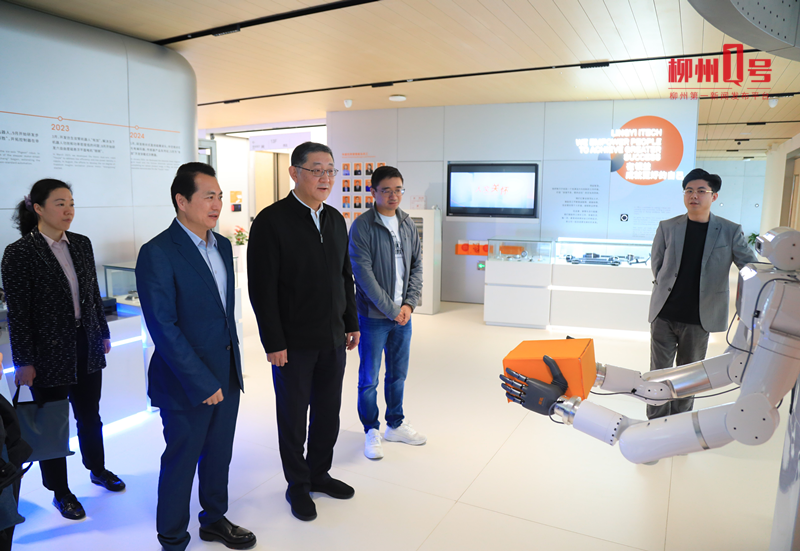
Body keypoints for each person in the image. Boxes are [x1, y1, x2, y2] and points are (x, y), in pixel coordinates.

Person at [136, 163, 255, 551]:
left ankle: (214, 519)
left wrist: (228, 373)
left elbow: (222, 314)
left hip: (227, 373)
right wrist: (202, 381)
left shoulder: (222, 245)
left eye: (219, 196)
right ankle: (172, 537)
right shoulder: (158, 252)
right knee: (182, 460)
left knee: (219, 455)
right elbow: (163, 327)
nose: (217, 204)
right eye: (208, 196)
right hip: (184, 381)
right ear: (182, 201)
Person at [248, 141, 359, 522]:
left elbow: (344, 276)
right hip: (293, 344)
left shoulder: (335, 219)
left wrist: (351, 322)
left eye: (330, 170)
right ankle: (297, 484)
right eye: (317, 170)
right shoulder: (272, 221)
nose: (325, 178)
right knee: (294, 417)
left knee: (328, 413)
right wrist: (273, 341)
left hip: (333, 338)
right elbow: (262, 288)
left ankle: (319, 474)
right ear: (294, 173)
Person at [1, 179, 124, 521]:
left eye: (71, 203)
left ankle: (97, 469)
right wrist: (24, 361)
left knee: (90, 415)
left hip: (85, 342)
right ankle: (60, 491)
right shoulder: (19, 252)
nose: (68, 210)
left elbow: (92, 294)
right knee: (52, 423)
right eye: (60, 203)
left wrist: (102, 333)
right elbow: (18, 314)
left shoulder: (81, 244)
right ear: (38, 208)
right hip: (46, 353)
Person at [647, 168, 757, 419]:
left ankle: (680, 423)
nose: (693, 195)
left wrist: (747, 303)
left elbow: (749, 268)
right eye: (688, 190)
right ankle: (655, 423)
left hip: (699, 319)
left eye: (700, 191)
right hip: (664, 314)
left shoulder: (729, 230)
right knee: (658, 374)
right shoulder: (668, 227)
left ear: (713, 196)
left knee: (689, 377)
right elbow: (657, 265)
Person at [348, 166, 425, 459]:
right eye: (386, 190)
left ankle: (395, 424)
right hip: (373, 318)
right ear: (373, 192)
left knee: (398, 374)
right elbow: (363, 274)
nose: (393, 196)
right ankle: (371, 429)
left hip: (402, 316)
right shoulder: (362, 226)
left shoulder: (407, 223)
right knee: (369, 378)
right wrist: (392, 309)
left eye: (398, 190)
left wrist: (408, 305)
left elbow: (417, 265)